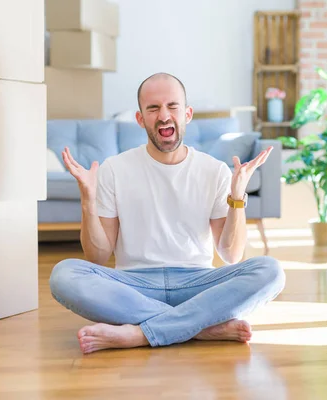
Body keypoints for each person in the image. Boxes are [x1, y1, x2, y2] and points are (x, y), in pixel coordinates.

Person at [48, 72, 285, 354]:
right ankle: (200, 328)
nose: (164, 116)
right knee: (64, 275)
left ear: (187, 114)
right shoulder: (115, 169)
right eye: (153, 108)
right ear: (140, 119)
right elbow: (97, 257)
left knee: (271, 271)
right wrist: (88, 201)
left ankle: (139, 334)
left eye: (172, 107)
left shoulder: (214, 170)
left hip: (197, 282)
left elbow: (231, 255)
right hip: (134, 285)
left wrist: (236, 199)